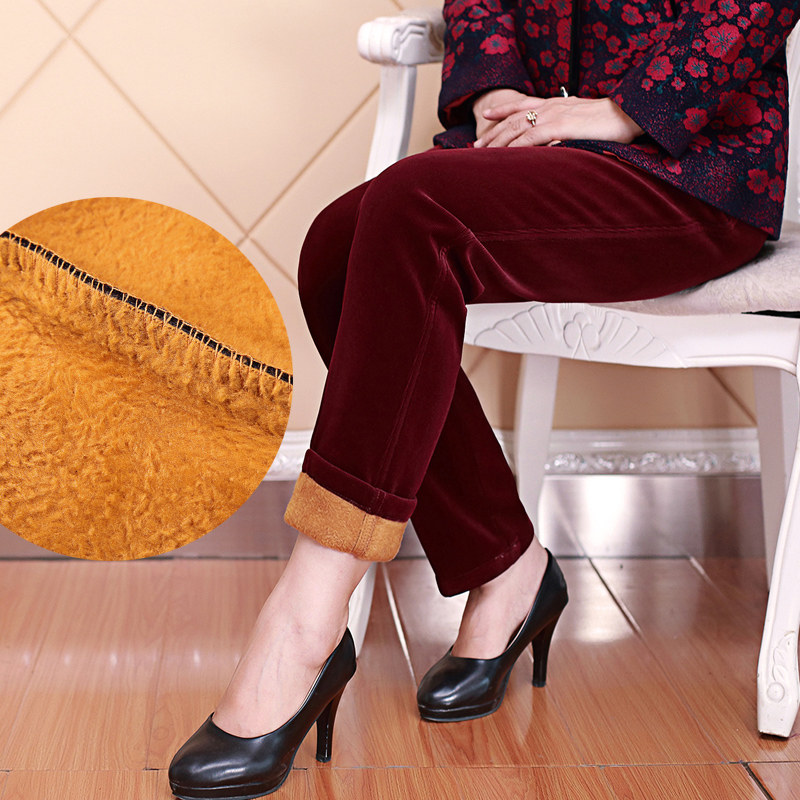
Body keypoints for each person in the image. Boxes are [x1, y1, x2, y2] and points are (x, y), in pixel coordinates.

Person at [169, 2, 799, 797]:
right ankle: (507, 566)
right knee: (336, 250)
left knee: (413, 207)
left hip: (690, 166)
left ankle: (305, 621)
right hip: (539, 142)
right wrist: (494, 94)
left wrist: (625, 112)